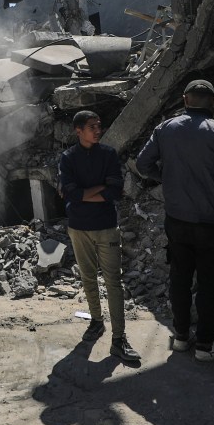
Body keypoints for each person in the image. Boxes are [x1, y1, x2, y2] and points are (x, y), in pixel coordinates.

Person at [136, 80, 214, 362]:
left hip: (178, 220)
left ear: (184, 100)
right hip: (212, 222)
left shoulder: (166, 128)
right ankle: (206, 345)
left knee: (179, 278)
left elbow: (142, 164)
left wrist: (166, 177)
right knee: (209, 283)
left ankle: (181, 336)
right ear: (213, 103)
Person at [58, 110, 140, 362]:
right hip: (79, 226)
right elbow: (70, 194)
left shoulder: (108, 154)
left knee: (113, 281)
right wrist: (97, 190)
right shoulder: (68, 158)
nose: (97, 130)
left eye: (99, 125)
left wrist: (83, 194)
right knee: (88, 277)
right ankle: (96, 320)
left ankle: (119, 338)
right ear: (78, 131)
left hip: (106, 226)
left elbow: (115, 192)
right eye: (91, 127)